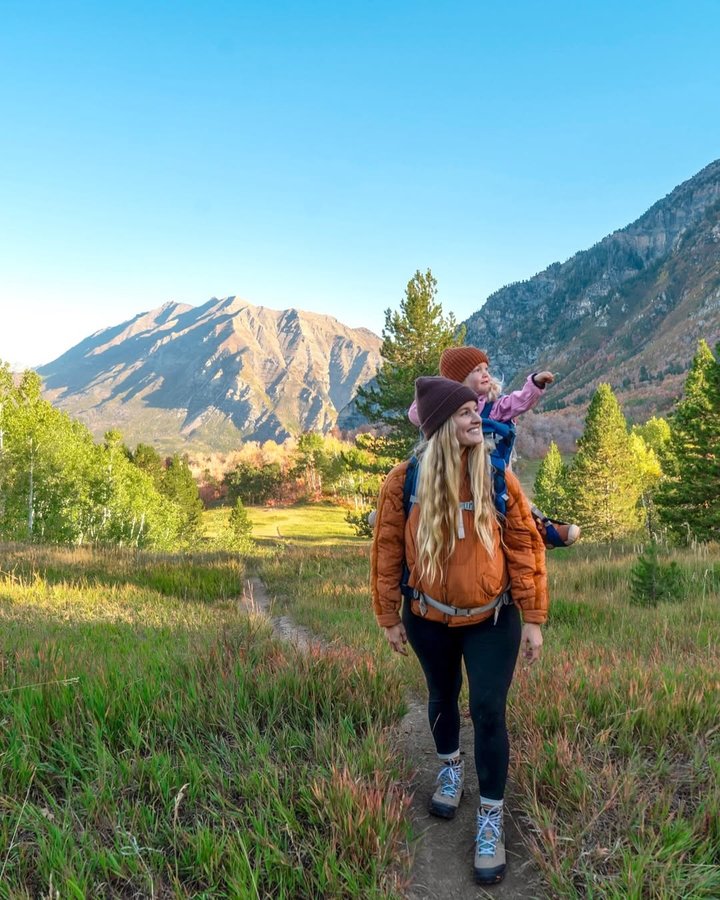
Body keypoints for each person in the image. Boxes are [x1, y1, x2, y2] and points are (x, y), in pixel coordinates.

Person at [371, 376, 548, 885]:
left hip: (493, 619)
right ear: (442, 425)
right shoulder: (404, 481)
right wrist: (387, 615)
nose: (479, 417)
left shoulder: (496, 476)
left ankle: (489, 820)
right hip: (427, 618)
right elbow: (385, 552)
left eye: (477, 409)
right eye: (467, 412)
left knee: (489, 710)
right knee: (442, 697)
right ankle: (451, 770)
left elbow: (525, 546)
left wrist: (533, 618)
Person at [408, 346, 580, 548]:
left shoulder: (495, 405)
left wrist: (534, 383)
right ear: (457, 379)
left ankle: (536, 528)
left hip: (491, 469)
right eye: (477, 370)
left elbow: (519, 402)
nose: (485, 374)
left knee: (510, 493)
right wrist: (440, 400)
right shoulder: (444, 406)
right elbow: (414, 413)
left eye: (486, 368)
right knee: (416, 475)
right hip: (451, 467)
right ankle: (399, 515)